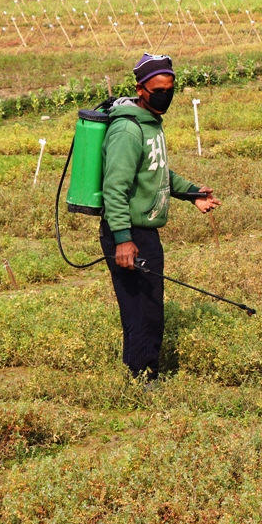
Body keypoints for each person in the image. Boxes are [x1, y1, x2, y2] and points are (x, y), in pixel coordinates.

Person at [99, 53, 221, 382]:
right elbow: (114, 188)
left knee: (151, 309)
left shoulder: (151, 124)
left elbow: (157, 173)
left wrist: (193, 193)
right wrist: (123, 240)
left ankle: (146, 374)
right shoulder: (128, 129)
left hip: (145, 234)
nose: (165, 95)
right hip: (128, 233)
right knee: (140, 312)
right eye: (158, 89)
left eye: (170, 89)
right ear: (141, 88)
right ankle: (141, 380)